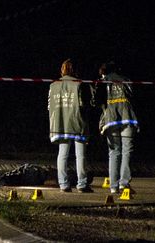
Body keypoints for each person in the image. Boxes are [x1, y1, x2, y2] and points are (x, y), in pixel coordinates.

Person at [48, 59, 94, 193]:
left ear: (62, 69)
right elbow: (84, 104)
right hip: (77, 122)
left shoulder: (53, 85)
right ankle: (82, 184)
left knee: (62, 154)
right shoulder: (78, 84)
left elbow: (49, 105)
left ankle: (63, 184)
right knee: (80, 155)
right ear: (74, 69)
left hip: (60, 124)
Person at [98, 62, 139, 194]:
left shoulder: (103, 81)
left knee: (114, 152)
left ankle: (113, 186)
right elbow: (132, 95)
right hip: (127, 117)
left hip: (111, 119)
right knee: (127, 151)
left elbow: (97, 100)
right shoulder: (125, 80)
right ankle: (124, 183)